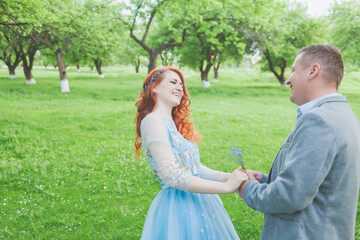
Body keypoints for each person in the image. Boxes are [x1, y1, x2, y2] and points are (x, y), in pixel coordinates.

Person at [238, 44, 360, 239]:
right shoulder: (344, 115)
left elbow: (290, 195)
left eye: (294, 70)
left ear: (313, 71)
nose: (288, 80)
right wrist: (265, 180)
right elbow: (318, 183)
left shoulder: (319, 120)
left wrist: (249, 189)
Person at [135, 66, 248, 240]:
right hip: (178, 208)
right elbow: (171, 176)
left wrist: (230, 178)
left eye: (181, 84)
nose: (180, 87)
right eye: (173, 82)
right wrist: (226, 187)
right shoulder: (153, 120)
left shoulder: (173, 123)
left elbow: (195, 169)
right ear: (154, 88)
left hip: (201, 203)